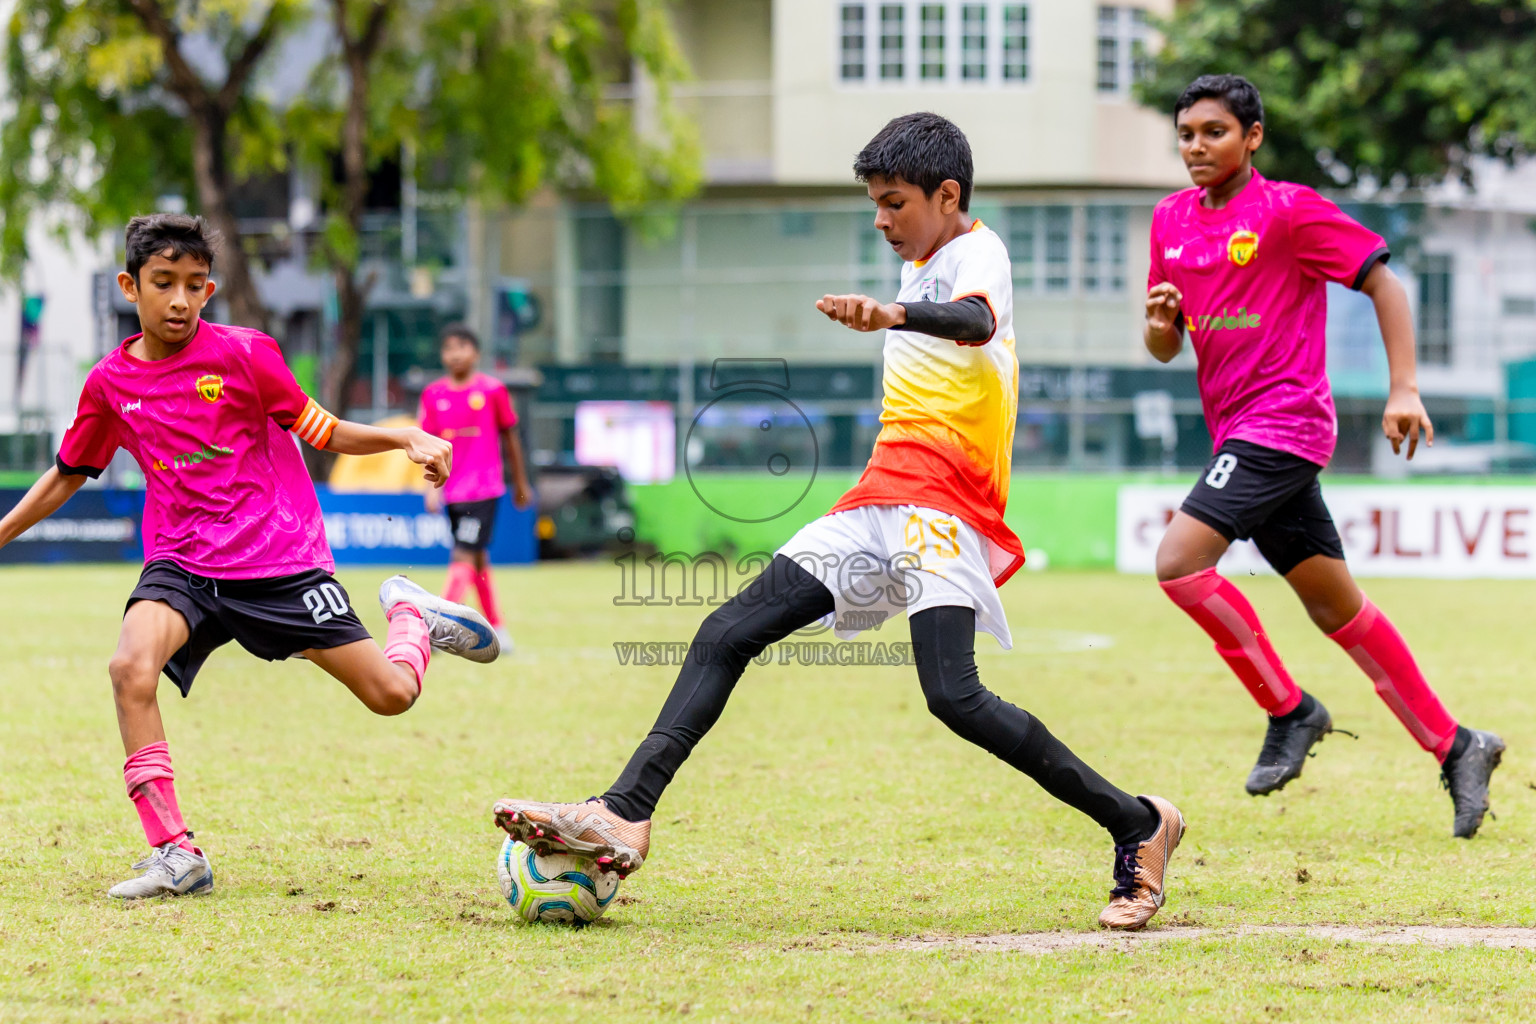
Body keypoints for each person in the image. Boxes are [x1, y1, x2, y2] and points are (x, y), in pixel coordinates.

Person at [493, 113, 1186, 931]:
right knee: (726, 630)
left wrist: (892, 316)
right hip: (877, 501)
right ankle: (625, 809)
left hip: (943, 508)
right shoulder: (921, 268)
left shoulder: (977, 253)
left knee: (955, 699)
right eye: (875, 205)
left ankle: (1138, 824)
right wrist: (895, 313)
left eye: (894, 203)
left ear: (947, 194)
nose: (882, 220)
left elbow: (975, 323)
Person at [0, 214, 501, 899]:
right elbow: (67, 471)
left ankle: (411, 618)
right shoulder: (111, 384)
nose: (180, 300)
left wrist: (403, 437)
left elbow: (320, 428)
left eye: (195, 286)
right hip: (182, 563)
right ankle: (176, 852)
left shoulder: (245, 354)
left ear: (210, 291)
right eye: (164, 283)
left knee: (391, 696)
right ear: (130, 286)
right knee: (128, 667)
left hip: (278, 559)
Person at [1145, 74, 1503, 837]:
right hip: (1236, 430)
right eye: (1186, 134)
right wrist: (1160, 323)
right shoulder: (1169, 220)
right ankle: (1459, 745)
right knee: (1335, 608)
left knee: (1178, 563)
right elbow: (1164, 346)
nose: (1197, 147)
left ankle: (1291, 711)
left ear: (1253, 138)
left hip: (1284, 424)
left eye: (1214, 132)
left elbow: (1386, 285)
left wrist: (1404, 387)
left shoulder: (1288, 210)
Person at [418, 324, 532, 653]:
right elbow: (428, 446)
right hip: (452, 491)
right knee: (478, 558)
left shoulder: (493, 390)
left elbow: (511, 437)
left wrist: (521, 483)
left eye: (461, 347)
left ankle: (439, 626)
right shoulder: (433, 394)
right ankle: (498, 628)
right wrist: (431, 489)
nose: (454, 354)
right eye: (448, 348)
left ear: (476, 352)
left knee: (463, 554)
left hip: (484, 490)